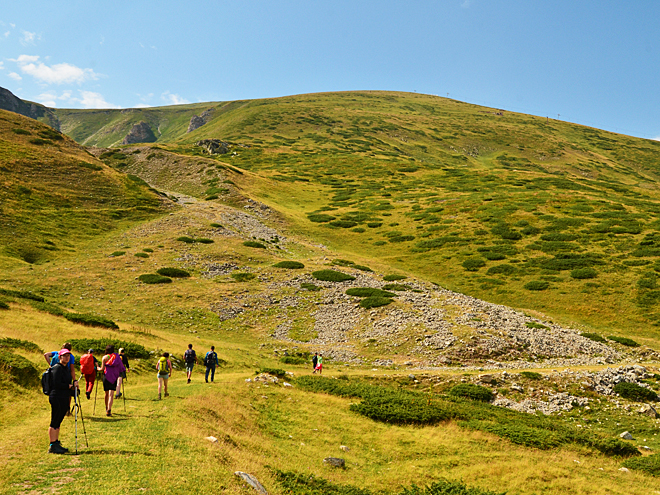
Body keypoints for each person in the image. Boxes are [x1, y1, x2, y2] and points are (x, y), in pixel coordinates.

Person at [47, 349, 78, 454]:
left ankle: (56, 442)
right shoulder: (57, 368)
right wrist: (68, 386)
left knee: (59, 420)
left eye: (68, 356)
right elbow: (56, 383)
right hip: (56, 396)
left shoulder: (65, 368)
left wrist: (74, 383)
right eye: (64, 356)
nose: (67, 357)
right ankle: (52, 445)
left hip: (63, 396)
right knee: (55, 420)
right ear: (59, 357)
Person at [44, 343, 77, 411]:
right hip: (64, 375)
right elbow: (72, 369)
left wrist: (50, 365)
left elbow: (46, 354)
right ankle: (66, 408)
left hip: (53, 375)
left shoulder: (56, 353)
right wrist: (74, 380)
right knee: (67, 391)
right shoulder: (71, 356)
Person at [100, 344, 125, 417]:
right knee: (111, 394)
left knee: (106, 394)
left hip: (106, 376)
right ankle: (109, 410)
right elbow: (121, 367)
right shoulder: (117, 357)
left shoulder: (105, 357)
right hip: (114, 377)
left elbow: (102, 368)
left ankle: (106, 408)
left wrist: (98, 368)